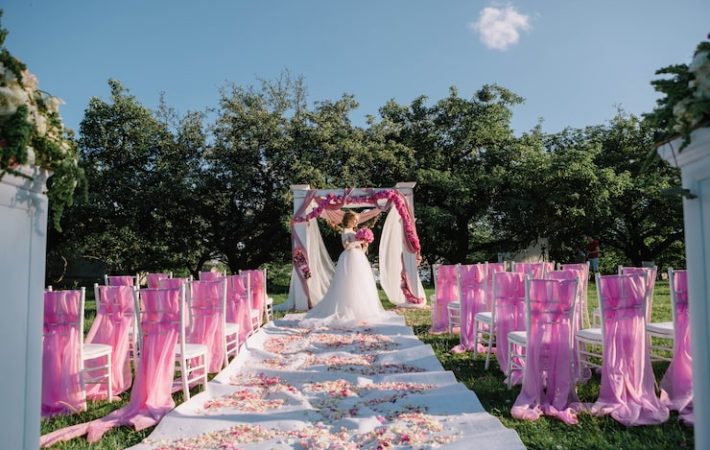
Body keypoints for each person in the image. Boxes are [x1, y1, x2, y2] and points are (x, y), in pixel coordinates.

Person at [303, 211, 387, 327]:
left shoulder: (355, 232)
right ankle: (345, 308)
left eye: (357, 220)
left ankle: (359, 309)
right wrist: (359, 241)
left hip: (359, 259)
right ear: (348, 220)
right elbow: (347, 246)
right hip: (348, 259)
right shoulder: (345, 231)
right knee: (348, 283)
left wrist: (365, 246)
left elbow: (359, 250)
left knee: (359, 284)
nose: (356, 222)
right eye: (354, 220)